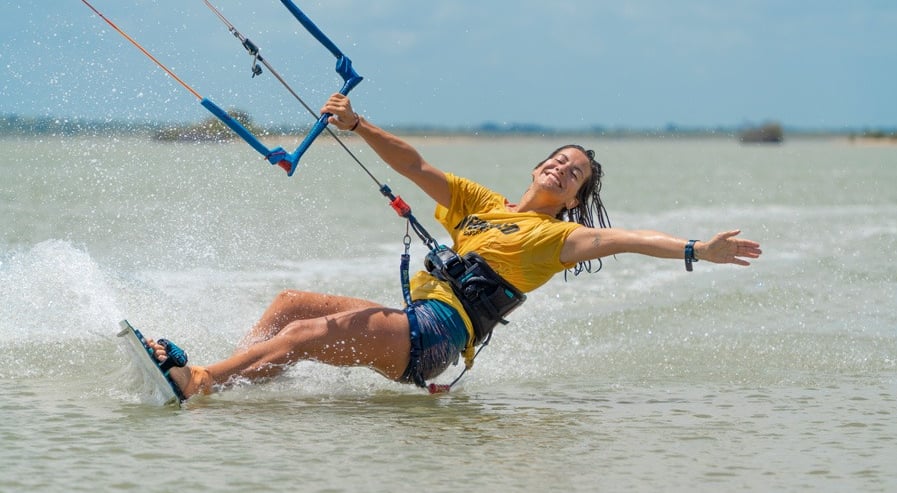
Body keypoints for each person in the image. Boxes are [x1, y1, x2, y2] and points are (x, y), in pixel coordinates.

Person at [147, 93, 762, 399]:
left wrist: (696, 249)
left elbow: (627, 239)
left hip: (438, 337)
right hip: (417, 318)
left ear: (575, 198)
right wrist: (358, 126)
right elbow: (413, 165)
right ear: (538, 166)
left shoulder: (559, 237)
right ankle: (228, 386)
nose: (561, 169)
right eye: (557, 160)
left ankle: (199, 380)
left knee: (308, 333)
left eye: (574, 173)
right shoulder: (480, 203)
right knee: (290, 306)